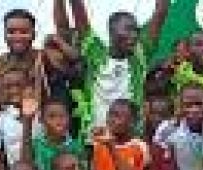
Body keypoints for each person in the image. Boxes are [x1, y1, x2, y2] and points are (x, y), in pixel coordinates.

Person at [68, 0, 170, 138]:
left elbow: (161, 12)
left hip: (129, 141)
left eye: (136, 31)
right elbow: (77, 9)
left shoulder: (140, 56)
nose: (134, 35)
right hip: (95, 139)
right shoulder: (94, 52)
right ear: (111, 31)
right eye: (128, 29)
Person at [0, 68, 30, 170]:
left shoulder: (43, 115)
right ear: (1, 91)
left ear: (29, 87)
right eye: (8, 87)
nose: (14, 90)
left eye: (19, 85)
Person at [32, 98, 86, 170]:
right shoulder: (35, 145)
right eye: (52, 116)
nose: (58, 121)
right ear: (41, 120)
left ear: (69, 118)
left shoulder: (76, 146)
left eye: (62, 116)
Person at [0, 9, 42, 98]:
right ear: (5, 35)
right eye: (11, 32)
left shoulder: (45, 60)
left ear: (34, 35)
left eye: (24, 32)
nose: (17, 37)